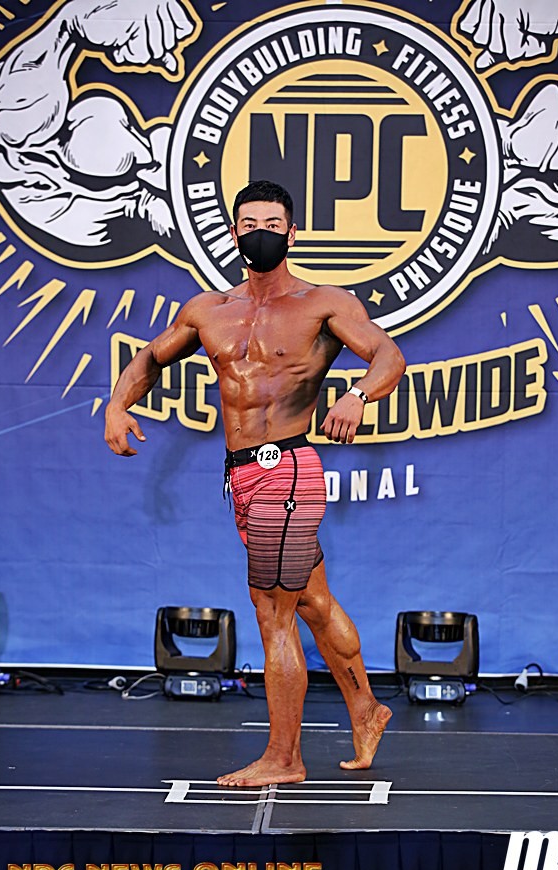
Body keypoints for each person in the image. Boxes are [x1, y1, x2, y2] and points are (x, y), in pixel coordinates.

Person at [105, 180, 406, 787]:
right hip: (242, 475)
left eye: (272, 223)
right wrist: (117, 405)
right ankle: (367, 710)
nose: (260, 232)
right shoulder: (207, 310)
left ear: (292, 233)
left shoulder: (323, 304)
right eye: (249, 223)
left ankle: (284, 758)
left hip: (286, 468)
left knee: (274, 614)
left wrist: (356, 395)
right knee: (313, 603)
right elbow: (150, 358)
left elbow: (388, 357)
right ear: (233, 231)